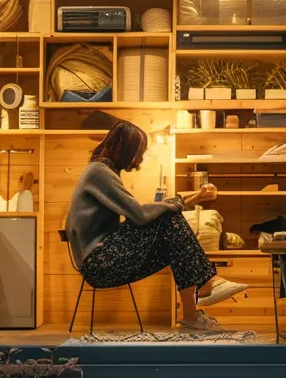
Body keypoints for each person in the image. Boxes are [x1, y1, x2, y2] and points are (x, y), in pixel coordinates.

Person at [66, 120, 248, 331]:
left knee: (173, 235)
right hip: (99, 264)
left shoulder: (102, 171)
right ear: (123, 149)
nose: (139, 159)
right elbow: (140, 215)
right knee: (168, 220)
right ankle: (205, 285)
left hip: (106, 257)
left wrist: (188, 199)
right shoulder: (98, 172)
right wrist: (187, 200)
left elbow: (138, 214)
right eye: (137, 152)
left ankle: (193, 309)